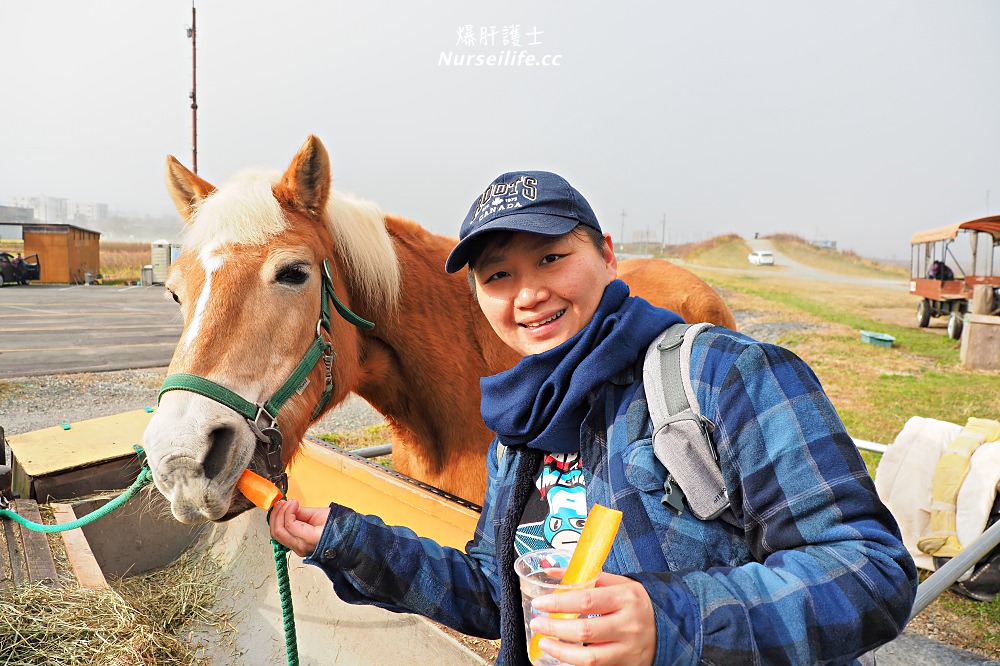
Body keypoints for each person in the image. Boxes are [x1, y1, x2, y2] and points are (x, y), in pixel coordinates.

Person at [270, 171, 917, 665]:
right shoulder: (520, 431)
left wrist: (671, 623)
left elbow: (870, 570)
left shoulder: (724, 375)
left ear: (607, 255)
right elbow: (497, 598)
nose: (528, 294)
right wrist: (346, 540)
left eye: (551, 258)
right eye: (498, 275)